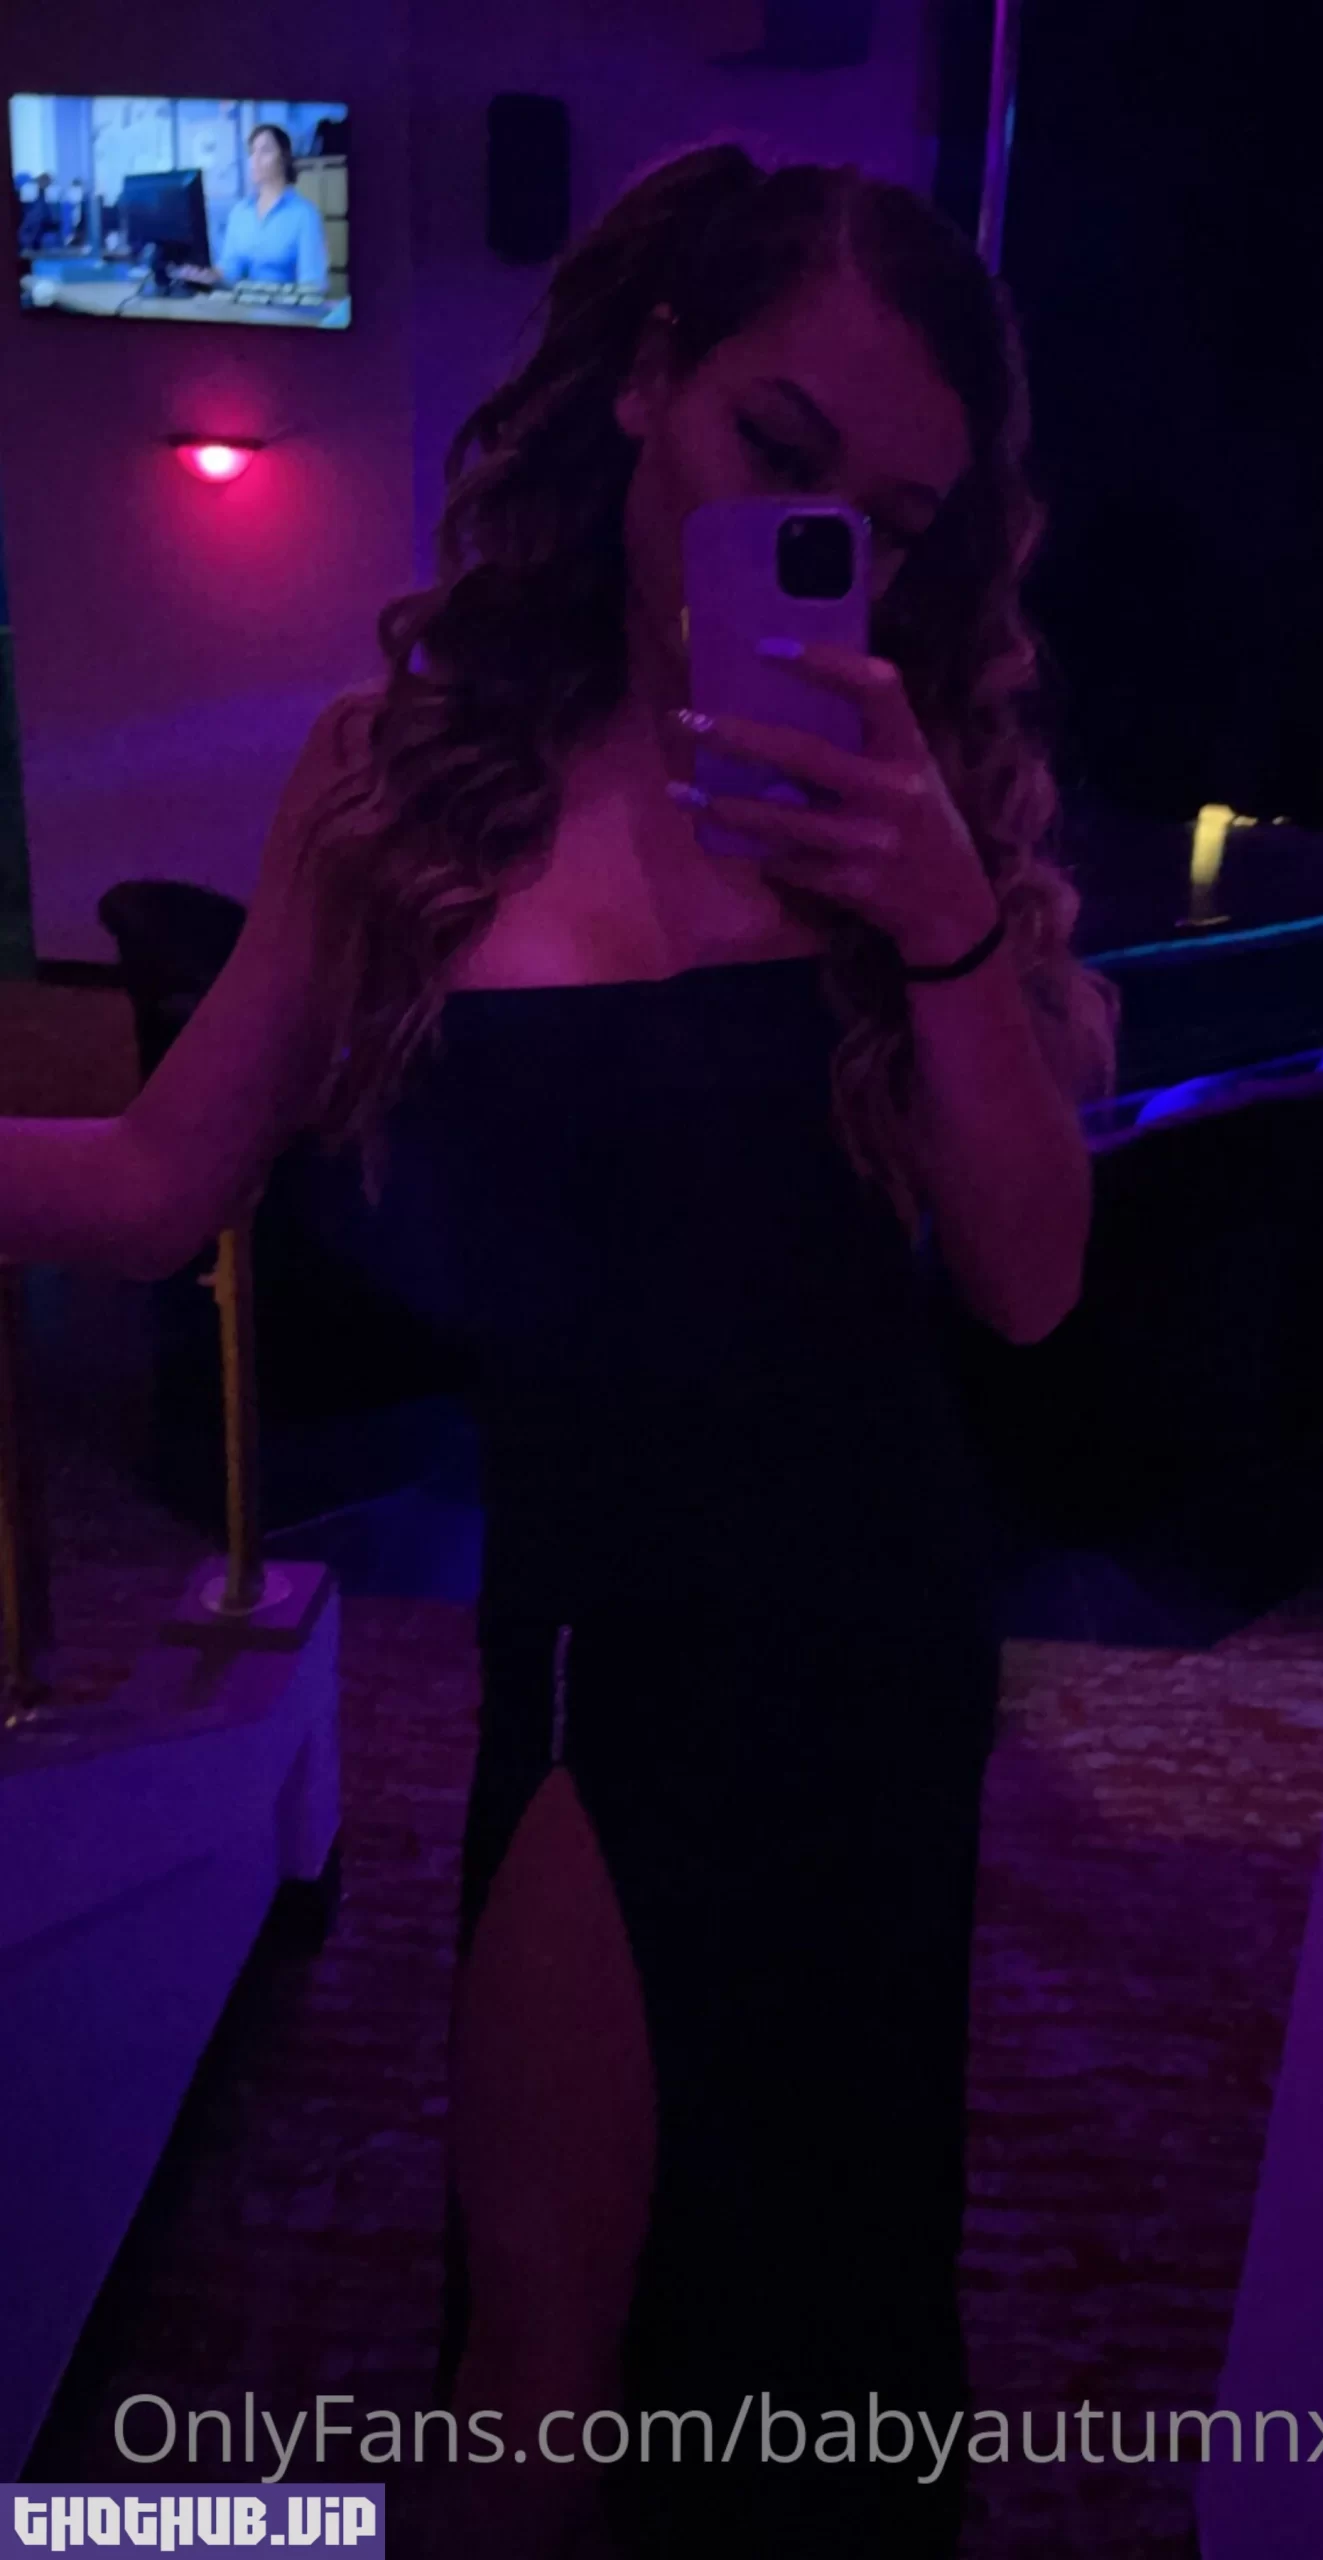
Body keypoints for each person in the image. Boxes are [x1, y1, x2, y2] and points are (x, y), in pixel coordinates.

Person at [0, 145, 1115, 2557]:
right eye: (774, 452)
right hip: (596, 1645)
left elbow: (1031, 1280)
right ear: (643, 379)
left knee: (830, 2291)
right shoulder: (398, 786)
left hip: (870, 1652)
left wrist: (938, 919)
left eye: (890, 523)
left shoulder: (914, 807)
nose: (821, 547)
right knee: (537, 2345)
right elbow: (157, 1177)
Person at [179, 122, 327, 291]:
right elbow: (230, 270)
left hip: (284, 305)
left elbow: (313, 285)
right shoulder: (240, 212)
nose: (255, 159)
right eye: (252, 152)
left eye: (265, 151)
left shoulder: (305, 215)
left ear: (284, 158)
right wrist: (207, 275)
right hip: (243, 304)